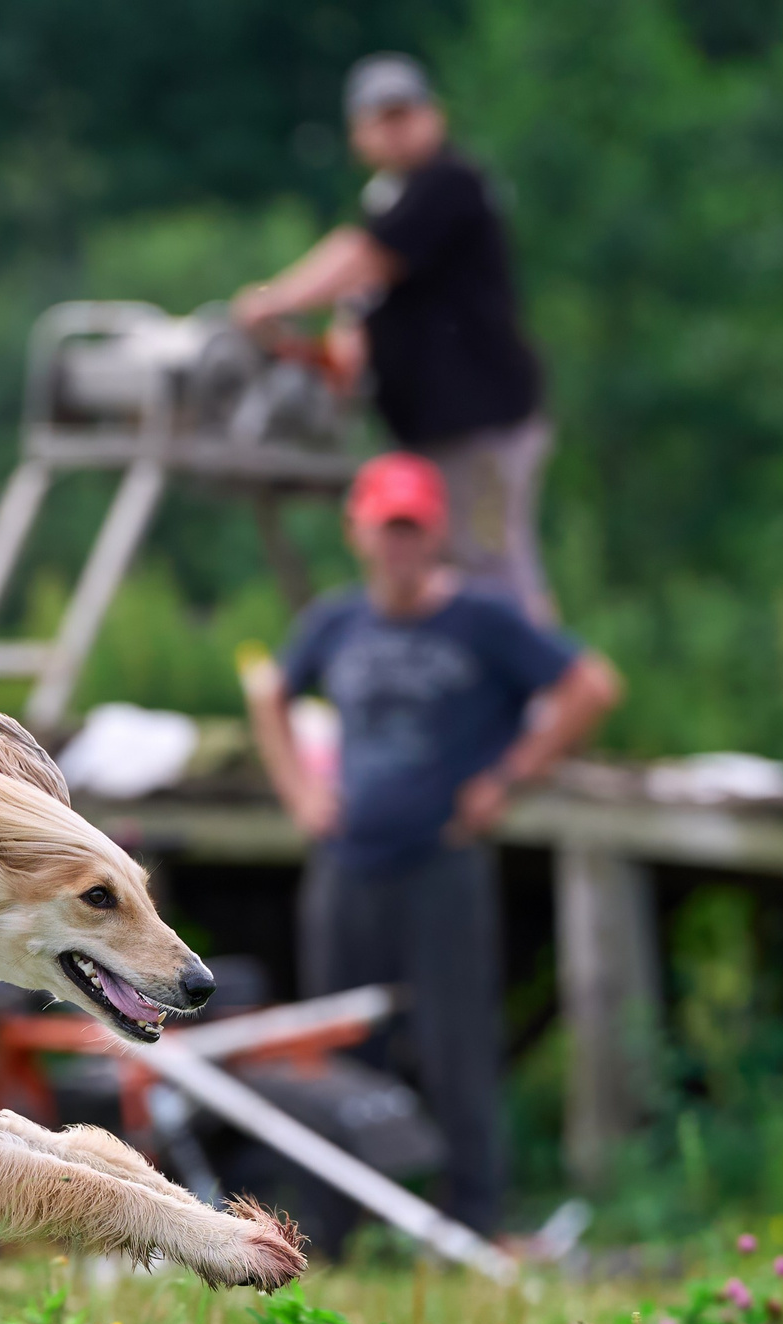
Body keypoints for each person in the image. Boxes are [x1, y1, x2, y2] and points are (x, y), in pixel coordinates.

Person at [243, 453, 619, 1236]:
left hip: (441, 860)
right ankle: (332, 1227)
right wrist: (302, 793)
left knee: (458, 1044)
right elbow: (270, 693)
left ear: (436, 533)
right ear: (359, 533)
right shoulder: (335, 622)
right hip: (349, 863)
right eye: (387, 530)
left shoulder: (483, 619)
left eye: (413, 530)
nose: (400, 546)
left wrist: (508, 779)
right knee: (340, 1047)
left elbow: (592, 684)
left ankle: (473, 1221)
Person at [233, 53, 556, 624]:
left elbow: (367, 256)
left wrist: (274, 299)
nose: (396, 128)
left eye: (405, 114)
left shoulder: (449, 183)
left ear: (434, 116)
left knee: (491, 568)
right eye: (381, 118)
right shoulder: (391, 198)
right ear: (359, 133)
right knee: (449, 569)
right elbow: (365, 307)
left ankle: (538, 694)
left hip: (481, 426)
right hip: (435, 429)